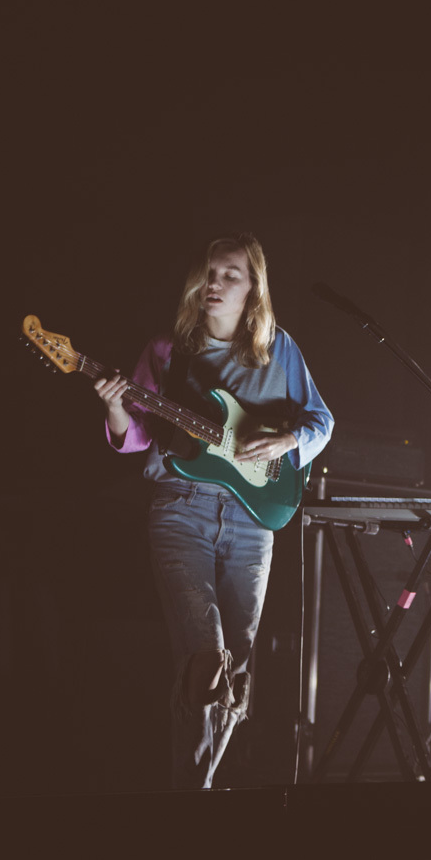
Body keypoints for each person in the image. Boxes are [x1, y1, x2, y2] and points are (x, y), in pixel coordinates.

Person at [93, 233, 333, 789]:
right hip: (183, 511)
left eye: (231, 274)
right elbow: (138, 439)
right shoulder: (167, 350)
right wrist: (114, 408)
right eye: (209, 273)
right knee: (208, 655)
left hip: (254, 521)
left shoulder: (281, 350)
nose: (215, 283)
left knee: (239, 667)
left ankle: (191, 798)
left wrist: (283, 444)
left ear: (254, 289)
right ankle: (193, 799)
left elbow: (321, 421)